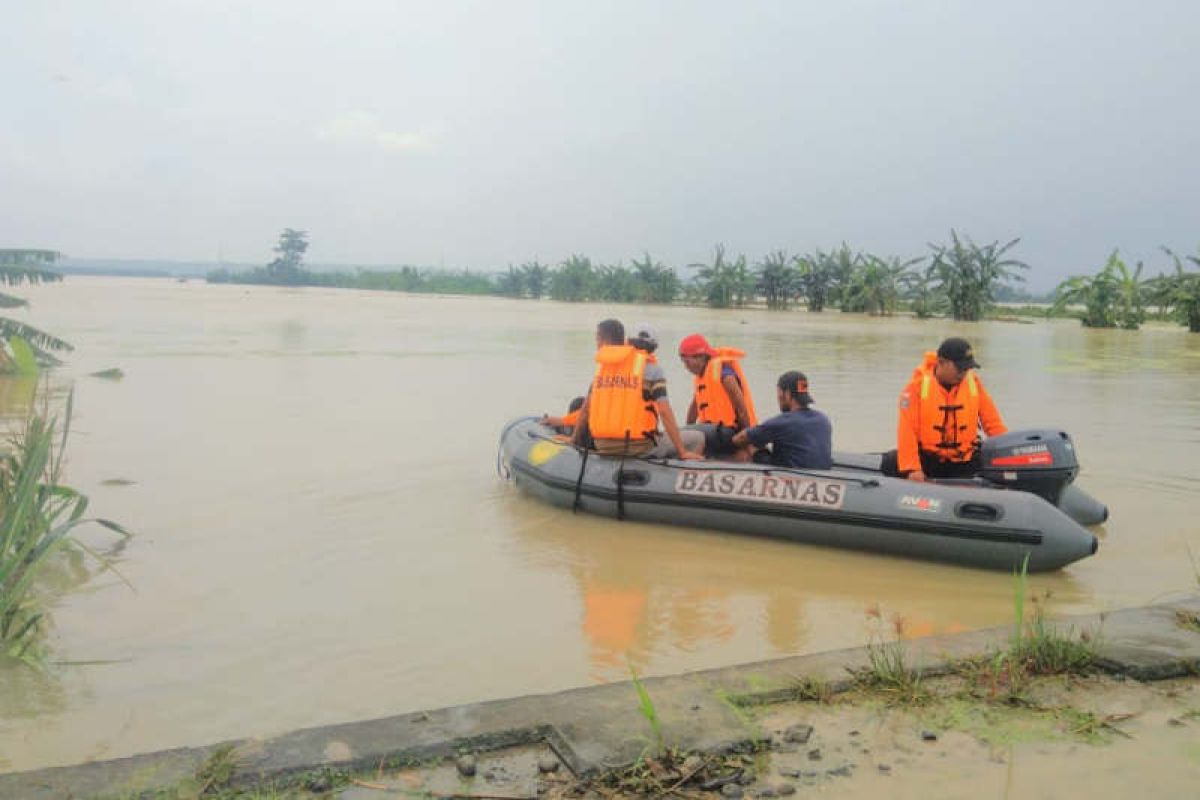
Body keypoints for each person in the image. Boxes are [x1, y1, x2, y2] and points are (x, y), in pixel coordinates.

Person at [573, 320, 704, 460]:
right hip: (639, 447)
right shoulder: (653, 370)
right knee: (697, 437)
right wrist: (682, 451)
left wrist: (573, 440)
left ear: (628, 342)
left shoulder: (604, 367)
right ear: (653, 348)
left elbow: (586, 409)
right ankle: (679, 474)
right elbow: (664, 412)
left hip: (602, 445)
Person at [881, 337, 1007, 481]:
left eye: (967, 369)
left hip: (964, 460)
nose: (963, 373)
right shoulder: (915, 388)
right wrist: (913, 468)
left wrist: (1008, 452)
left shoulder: (974, 385)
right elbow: (907, 430)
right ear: (941, 362)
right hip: (929, 460)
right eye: (959, 368)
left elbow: (993, 424)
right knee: (889, 463)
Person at [677, 334, 757, 460]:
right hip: (714, 431)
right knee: (683, 434)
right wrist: (688, 430)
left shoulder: (725, 375)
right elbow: (694, 409)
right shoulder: (703, 377)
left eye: (687, 362)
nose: (686, 367)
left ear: (701, 357)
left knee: (682, 434)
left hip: (730, 432)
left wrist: (747, 441)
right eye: (683, 362)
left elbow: (742, 409)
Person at [732, 371, 832, 469]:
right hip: (821, 473)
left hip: (790, 476)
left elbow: (738, 439)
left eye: (779, 393)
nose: (778, 398)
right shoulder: (823, 419)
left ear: (787, 394)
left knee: (750, 444)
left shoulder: (783, 422)